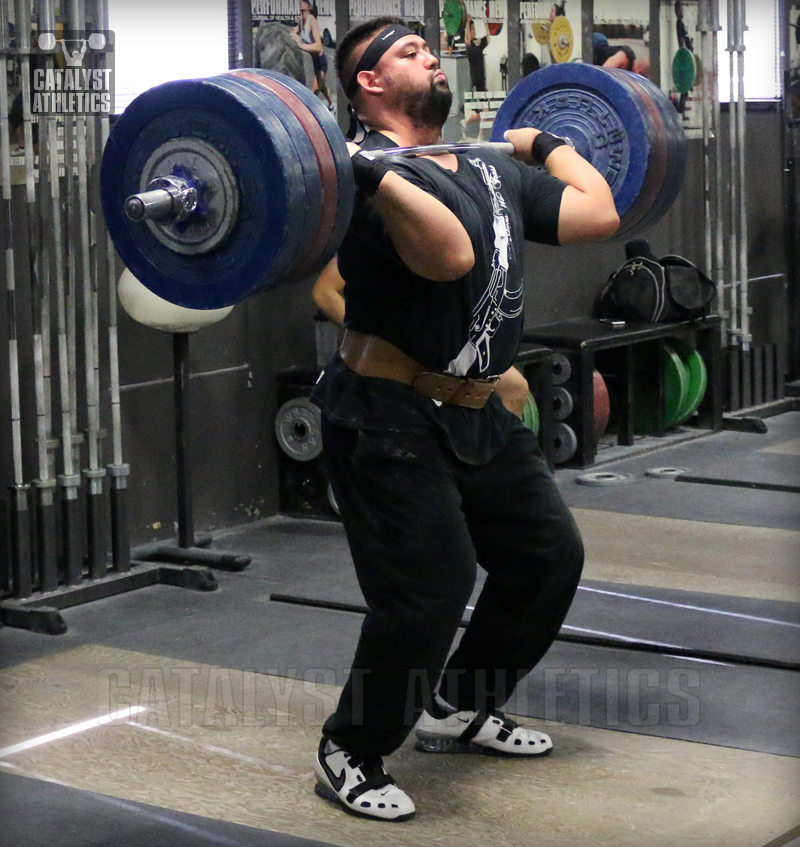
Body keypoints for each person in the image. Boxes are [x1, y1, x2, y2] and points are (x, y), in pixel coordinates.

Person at [310, 16, 618, 822]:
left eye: (429, 46)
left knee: (546, 555)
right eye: (409, 52)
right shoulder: (362, 177)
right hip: (385, 415)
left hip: (477, 407)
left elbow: (597, 213)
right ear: (369, 83)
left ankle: (458, 704)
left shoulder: (483, 164)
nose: (432, 56)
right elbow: (449, 257)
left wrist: (544, 143)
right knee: (430, 587)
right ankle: (352, 745)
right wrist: (369, 170)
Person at [312, 262, 530, 417]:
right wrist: (377, 337)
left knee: (514, 387)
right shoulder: (386, 225)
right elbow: (324, 292)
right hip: (398, 360)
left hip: (450, 347)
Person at [292, 0, 333, 109]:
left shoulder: (312, 20)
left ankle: (310, 114)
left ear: (309, 6)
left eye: (304, 2)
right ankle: (331, 103)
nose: (300, 3)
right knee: (322, 86)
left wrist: (301, 45)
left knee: (314, 91)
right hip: (315, 61)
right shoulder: (302, 20)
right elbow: (294, 32)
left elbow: (318, 46)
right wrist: (293, 36)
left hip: (321, 60)